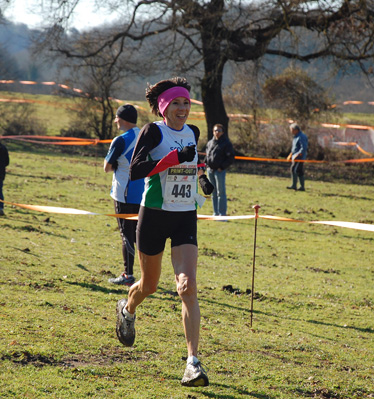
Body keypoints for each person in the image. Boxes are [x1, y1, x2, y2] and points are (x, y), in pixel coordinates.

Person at [115, 77, 214, 387]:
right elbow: (137, 170)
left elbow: (193, 161)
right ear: (164, 107)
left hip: (185, 214)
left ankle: (192, 363)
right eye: (177, 103)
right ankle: (128, 308)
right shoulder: (152, 131)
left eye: (186, 102)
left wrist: (202, 176)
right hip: (154, 214)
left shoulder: (193, 132)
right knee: (150, 286)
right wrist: (174, 159)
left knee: (187, 287)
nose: (183, 108)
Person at [104, 104, 144, 286]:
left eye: (116, 117)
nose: (115, 120)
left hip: (124, 195)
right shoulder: (145, 135)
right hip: (144, 194)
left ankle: (128, 275)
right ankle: (147, 275)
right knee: (140, 236)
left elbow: (107, 167)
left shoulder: (120, 140)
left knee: (126, 235)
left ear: (123, 119)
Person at [205, 123, 234, 216]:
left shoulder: (226, 143)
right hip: (210, 170)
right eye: (215, 130)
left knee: (220, 192)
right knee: (213, 193)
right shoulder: (210, 143)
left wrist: (222, 167)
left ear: (223, 132)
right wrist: (205, 165)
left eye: (219, 131)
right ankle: (215, 213)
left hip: (219, 171)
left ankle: (222, 213)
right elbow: (207, 155)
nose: (217, 132)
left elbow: (230, 158)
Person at [286, 122, 308, 191]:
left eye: (291, 130)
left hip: (299, 157)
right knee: (299, 170)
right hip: (295, 156)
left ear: (296, 130)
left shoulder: (301, 136)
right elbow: (295, 147)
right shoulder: (296, 136)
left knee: (294, 169)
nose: (291, 132)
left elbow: (303, 148)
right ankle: (301, 187)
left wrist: (299, 155)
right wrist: (291, 154)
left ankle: (294, 185)